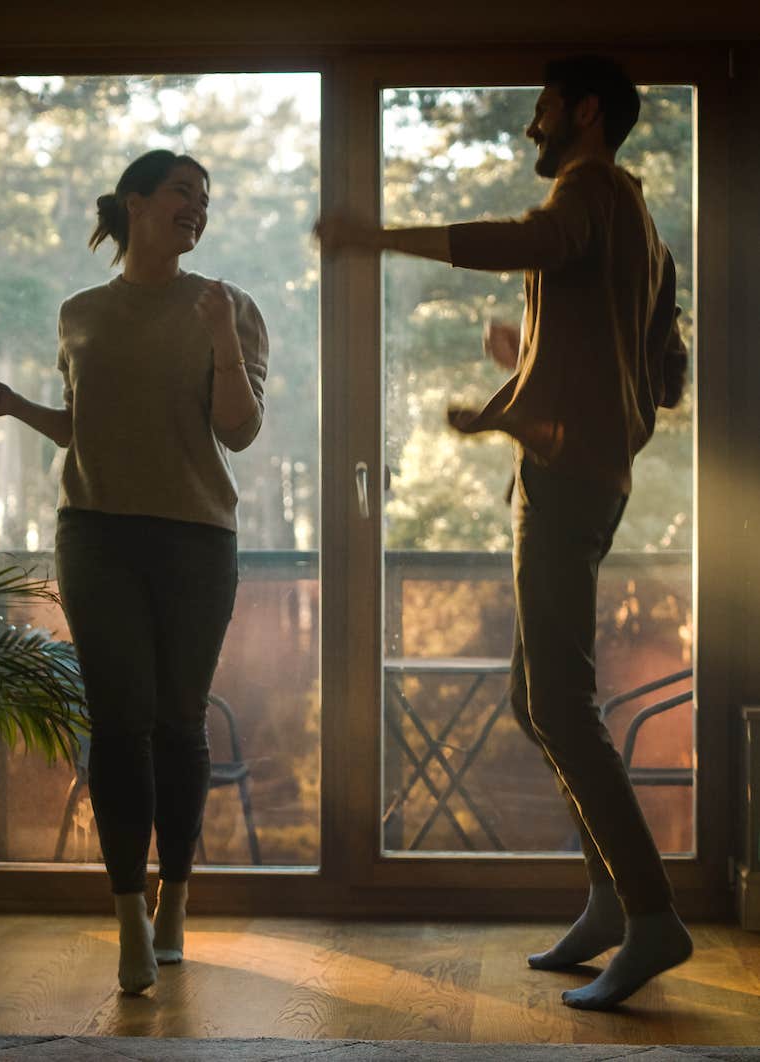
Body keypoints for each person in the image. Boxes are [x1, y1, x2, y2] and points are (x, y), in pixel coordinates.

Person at [316, 55, 691, 1011]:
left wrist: (376, 237)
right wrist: (527, 366)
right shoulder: (639, 223)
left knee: (560, 703)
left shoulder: (589, 189)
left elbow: (530, 242)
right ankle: (609, 900)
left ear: (586, 112)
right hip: (587, 480)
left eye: (545, 108)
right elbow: (658, 373)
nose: (533, 125)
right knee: (535, 699)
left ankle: (652, 915)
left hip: (566, 485)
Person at [0, 149, 268, 994]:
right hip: (96, 534)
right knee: (119, 723)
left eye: (206, 198)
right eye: (182, 192)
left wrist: (221, 336)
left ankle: (176, 897)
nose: (197, 207)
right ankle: (129, 912)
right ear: (135, 202)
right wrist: (15, 407)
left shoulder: (229, 306)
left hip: (196, 539)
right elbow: (85, 427)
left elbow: (239, 432)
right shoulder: (80, 313)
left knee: (178, 724)